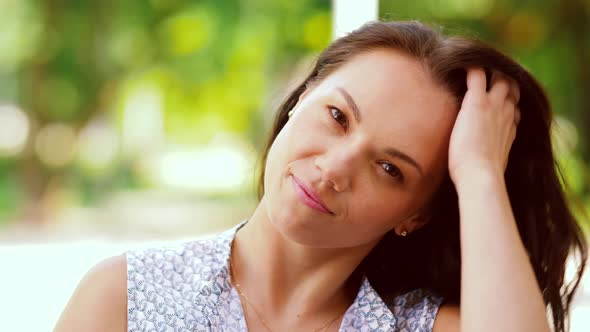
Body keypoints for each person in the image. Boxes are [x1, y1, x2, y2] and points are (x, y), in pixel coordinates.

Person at [54, 20, 587, 332]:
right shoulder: (123, 297)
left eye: (389, 168)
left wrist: (478, 172)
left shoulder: (423, 327)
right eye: (337, 116)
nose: (333, 169)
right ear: (301, 97)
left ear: (416, 214)